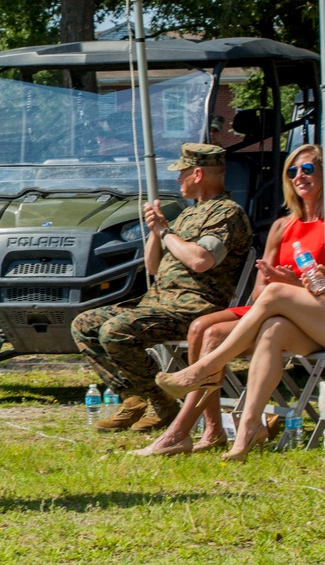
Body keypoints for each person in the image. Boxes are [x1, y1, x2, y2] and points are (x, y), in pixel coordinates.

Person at [156, 146, 325, 462]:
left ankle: (204, 370)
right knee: (273, 328)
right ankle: (250, 428)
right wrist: (321, 279)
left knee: (274, 298)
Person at [71, 143, 253, 433]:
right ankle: (134, 398)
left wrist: (166, 232)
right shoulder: (187, 214)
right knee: (84, 324)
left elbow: (201, 259)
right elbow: (153, 267)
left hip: (193, 309)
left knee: (115, 331)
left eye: (181, 173)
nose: (177, 179)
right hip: (159, 304)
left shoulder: (226, 213)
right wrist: (156, 231)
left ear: (197, 174)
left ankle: (162, 403)